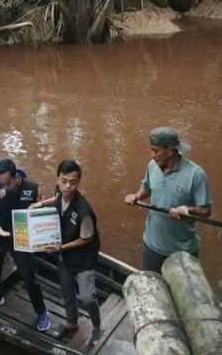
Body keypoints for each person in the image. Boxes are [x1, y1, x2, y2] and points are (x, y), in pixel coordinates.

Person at [32, 160, 103, 345]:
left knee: (87, 298)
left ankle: (96, 327)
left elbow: (87, 239)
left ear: (78, 182)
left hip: (82, 260)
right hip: (64, 257)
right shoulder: (60, 193)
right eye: (64, 181)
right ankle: (71, 323)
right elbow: (56, 199)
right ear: (57, 180)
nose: (68, 186)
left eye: (73, 182)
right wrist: (39, 206)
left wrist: (60, 248)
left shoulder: (83, 211)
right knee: (67, 292)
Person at [124, 126, 212, 273]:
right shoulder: (153, 166)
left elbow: (206, 210)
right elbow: (147, 188)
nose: (152, 155)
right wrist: (137, 196)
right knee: (152, 287)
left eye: (155, 150)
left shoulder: (196, 174)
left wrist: (187, 210)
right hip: (153, 246)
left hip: (182, 251)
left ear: (170, 151)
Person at [0, 159, 51, 332]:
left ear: (15, 176)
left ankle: (42, 311)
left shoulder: (32, 188)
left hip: (21, 240)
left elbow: (42, 215)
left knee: (28, 277)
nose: (3, 187)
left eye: (7, 183)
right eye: (0, 183)